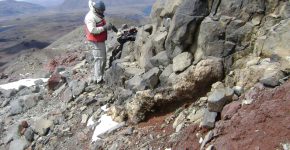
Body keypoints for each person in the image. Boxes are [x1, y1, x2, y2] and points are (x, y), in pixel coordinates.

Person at [84, 0, 112, 84]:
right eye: (101, 11)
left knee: (102, 58)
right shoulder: (90, 17)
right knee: (99, 59)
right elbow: (92, 30)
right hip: (96, 41)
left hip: (99, 40)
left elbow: (90, 2)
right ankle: (99, 79)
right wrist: (104, 28)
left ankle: (100, 76)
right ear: (96, 9)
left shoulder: (95, 11)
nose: (102, 12)